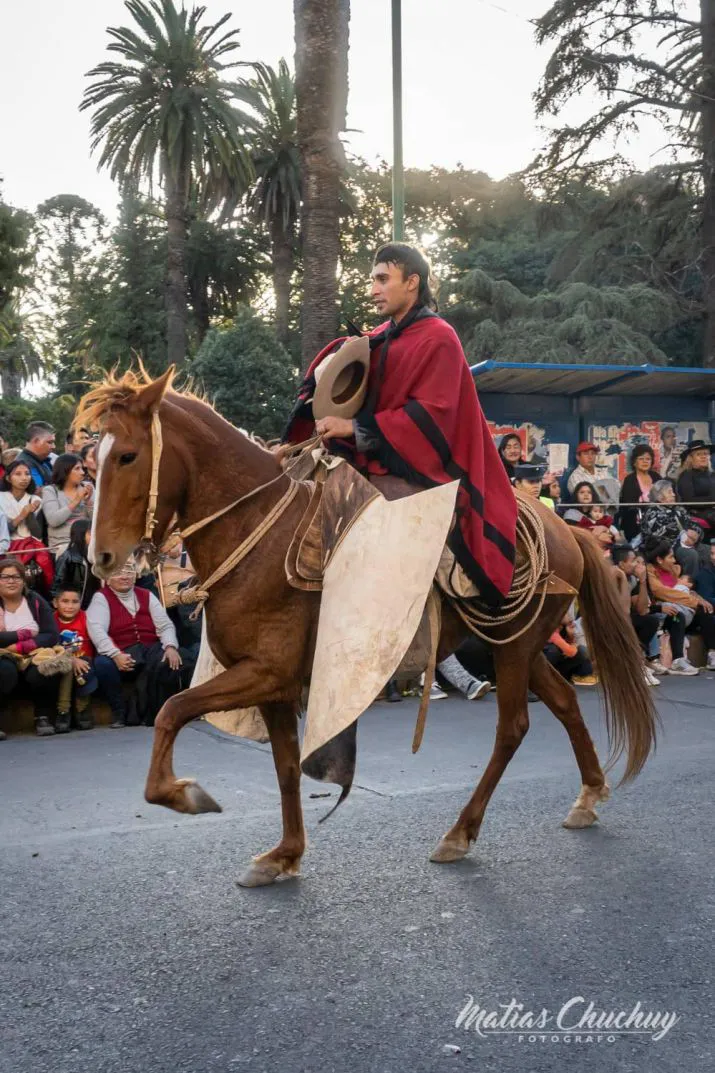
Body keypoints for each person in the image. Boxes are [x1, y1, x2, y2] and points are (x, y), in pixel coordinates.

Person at [282, 241, 517, 608]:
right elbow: (349, 384)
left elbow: (432, 415)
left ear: (412, 282)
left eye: (382, 279)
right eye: (372, 280)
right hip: (372, 458)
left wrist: (352, 429)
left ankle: (416, 639)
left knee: (391, 521)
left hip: (426, 468)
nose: (373, 289)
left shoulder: (439, 337)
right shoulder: (380, 338)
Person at [87, 559, 184, 728]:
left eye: (129, 571)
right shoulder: (101, 598)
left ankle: (161, 711)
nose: (124, 576)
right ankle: (119, 712)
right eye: (118, 572)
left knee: (172, 659)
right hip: (122, 651)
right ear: (108, 578)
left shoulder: (147, 594)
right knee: (103, 664)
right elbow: (97, 630)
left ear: (136, 575)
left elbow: (165, 625)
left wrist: (170, 646)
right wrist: (115, 654)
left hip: (149, 649)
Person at [0, 556, 61, 739]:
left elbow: (51, 634)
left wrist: (20, 645)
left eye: (16, 576)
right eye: (5, 577)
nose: (11, 581)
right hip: (3, 654)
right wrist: (23, 633)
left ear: (23, 580)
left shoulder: (34, 600)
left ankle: (42, 716)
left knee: (44, 668)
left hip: (32, 652)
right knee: (4, 670)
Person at [645, 539, 715, 673]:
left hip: (685, 609)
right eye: (670, 557)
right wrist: (693, 600)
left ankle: (712, 653)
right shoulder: (650, 572)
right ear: (659, 559)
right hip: (665, 612)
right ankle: (678, 660)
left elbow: (682, 588)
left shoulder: (671, 570)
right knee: (677, 614)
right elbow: (664, 592)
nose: (673, 560)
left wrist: (697, 598)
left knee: (706, 609)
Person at [0, 459, 54, 591]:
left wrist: (30, 515)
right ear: (8, 478)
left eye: (27, 473)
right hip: (5, 547)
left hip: (30, 548)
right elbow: (3, 530)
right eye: (18, 474)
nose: (24, 478)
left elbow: (37, 534)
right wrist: (22, 515)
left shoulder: (35, 500)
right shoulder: (1, 498)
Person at [611, 545, 662, 684]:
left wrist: (643, 581)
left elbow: (642, 609)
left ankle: (636, 661)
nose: (637, 565)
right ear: (622, 564)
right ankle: (635, 663)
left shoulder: (631, 578)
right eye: (633, 561)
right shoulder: (613, 576)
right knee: (626, 621)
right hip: (607, 620)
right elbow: (624, 610)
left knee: (650, 620)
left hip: (623, 617)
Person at [52, 587, 98, 733]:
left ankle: (82, 709)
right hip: (60, 660)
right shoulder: (52, 620)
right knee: (67, 667)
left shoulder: (86, 618)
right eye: (65, 601)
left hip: (85, 660)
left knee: (84, 666)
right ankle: (63, 711)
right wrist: (70, 659)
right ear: (55, 602)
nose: (70, 606)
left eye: (75, 602)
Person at [640, 479, 703, 579]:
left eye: (673, 491)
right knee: (691, 555)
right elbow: (658, 532)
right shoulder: (652, 511)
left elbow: (693, 523)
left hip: (687, 543)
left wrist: (696, 533)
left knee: (708, 551)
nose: (674, 495)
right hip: (668, 546)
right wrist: (685, 533)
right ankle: (689, 585)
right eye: (670, 492)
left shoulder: (678, 508)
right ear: (659, 496)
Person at [41, 453, 94, 556]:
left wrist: (88, 503)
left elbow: (96, 521)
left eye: (82, 468)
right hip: (61, 544)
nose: (82, 472)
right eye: (77, 469)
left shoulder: (87, 487)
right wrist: (76, 501)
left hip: (87, 542)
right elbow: (53, 520)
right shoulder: (50, 490)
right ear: (65, 470)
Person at [52, 518, 100, 609]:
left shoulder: (94, 555)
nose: (94, 537)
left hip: (93, 604)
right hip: (74, 607)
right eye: (90, 533)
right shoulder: (68, 557)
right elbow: (57, 583)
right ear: (80, 535)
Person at [619, 444, 660, 542]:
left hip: (658, 519)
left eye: (648, 459)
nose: (645, 461)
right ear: (634, 462)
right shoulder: (630, 480)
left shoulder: (656, 477)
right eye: (641, 459)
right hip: (637, 521)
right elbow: (629, 506)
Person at [544, 613, 596, 685]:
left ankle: (563, 674)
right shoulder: (552, 631)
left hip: (561, 663)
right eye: (566, 614)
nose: (570, 616)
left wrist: (570, 636)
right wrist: (573, 646)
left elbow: (570, 649)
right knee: (554, 650)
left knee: (582, 651)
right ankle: (548, 676)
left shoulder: (564, 628)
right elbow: (571, 651)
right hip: (548, 660)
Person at [676, 440, 715, 532]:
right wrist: (713, 501)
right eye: (699, 454)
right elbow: (689, 500)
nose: (703, 456)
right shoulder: (686, 476)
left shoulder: (712, 475)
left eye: (706, 453)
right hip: (695, 513)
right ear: (690, 458)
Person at [14, 421, 56, 488]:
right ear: (36, 441)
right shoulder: (24, 464)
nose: (54, 446)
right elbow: (37, 491)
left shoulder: (43, 461)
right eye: (50, 442)